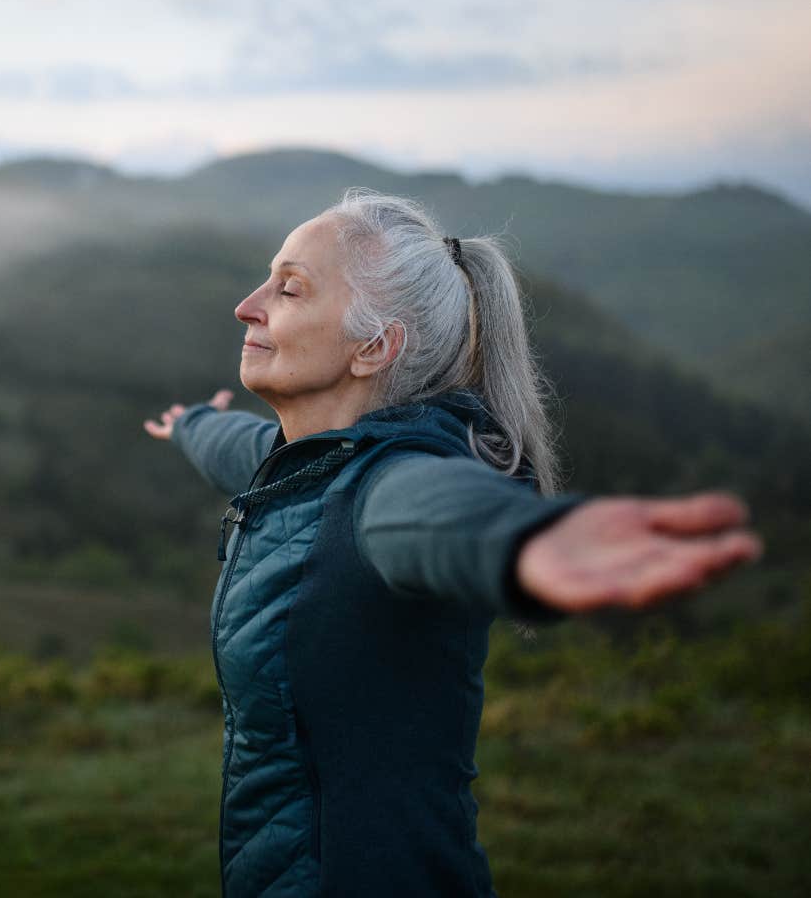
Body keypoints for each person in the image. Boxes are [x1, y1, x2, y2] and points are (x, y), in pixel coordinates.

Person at [144, 189, 762, 898]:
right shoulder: (308, 464)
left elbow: (434, 512)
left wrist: (524, 539)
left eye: (288, 288)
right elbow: (245, 449)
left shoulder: (385, 486)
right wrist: (191, 425)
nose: (247, 306)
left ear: (374, 347)